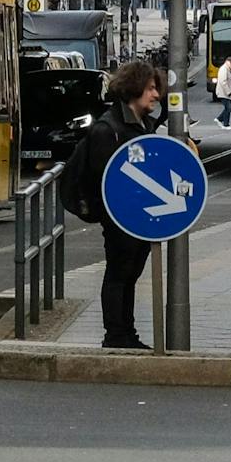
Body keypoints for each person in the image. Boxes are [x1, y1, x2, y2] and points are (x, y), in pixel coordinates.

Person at [75, 58, 163, 350]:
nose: (156, 95)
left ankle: (127, 334)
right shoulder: (108, 129)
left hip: (138, 216)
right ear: (134, 89)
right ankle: (115, 335)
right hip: (120, 218)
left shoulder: (142, 123)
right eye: (150, 88)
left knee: (129, 275)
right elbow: (106, 181)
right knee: (119, 274)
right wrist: (115, 216)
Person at [213, 54, 231, 129]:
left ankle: (219, 119)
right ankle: (225, 124)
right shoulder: (223, 69)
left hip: (227, 93)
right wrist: (228, 92)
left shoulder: (228, 70)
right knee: (228, 107)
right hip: (224, 92)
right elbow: (223, 82)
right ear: (227, 62)